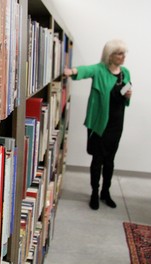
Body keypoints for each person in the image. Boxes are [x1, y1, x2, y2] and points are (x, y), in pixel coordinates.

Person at [64, 39, 133, 210]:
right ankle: (94, 193)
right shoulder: (100, 69)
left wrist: (128, 96)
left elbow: (127, 93)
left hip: (117, 124)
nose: (123, 56)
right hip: (99, 123)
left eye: (124, 53)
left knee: (110, 161)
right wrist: (72, 71)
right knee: (97, 160)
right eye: (119, 53)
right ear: (110, 55)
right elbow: (85, 70)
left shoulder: (126, 72)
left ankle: (106, 192)